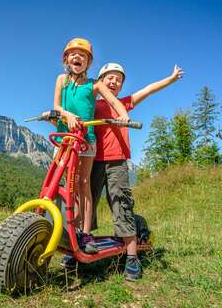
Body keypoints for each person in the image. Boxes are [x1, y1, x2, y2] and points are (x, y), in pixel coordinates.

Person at [91, 62, 184, 281]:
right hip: (92, 160)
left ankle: (132, 257)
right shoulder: (91, 104)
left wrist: (170, 79)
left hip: (117, 161)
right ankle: (79, 246)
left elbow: (149, 90)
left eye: (118, 80)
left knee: (121, 202)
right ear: (100, 81)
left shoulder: (123, 103)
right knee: (86, 202)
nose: (113, 82)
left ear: (121, 86)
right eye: (109, 78)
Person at [53, 39, 130, 255]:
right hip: (64, 140)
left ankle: (84, 232)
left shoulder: (95, 84)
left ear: (88, 63)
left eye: (83, 56)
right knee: (63, 182)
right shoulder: (62, 80)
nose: (78, 58)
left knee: (83, 183)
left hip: (86, 140)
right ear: (66, 59)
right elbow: (57, 106)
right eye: (73, 54)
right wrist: (66, 114)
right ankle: (66, 226)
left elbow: (114, 102)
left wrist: (123, 115)